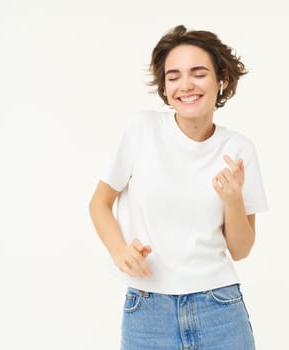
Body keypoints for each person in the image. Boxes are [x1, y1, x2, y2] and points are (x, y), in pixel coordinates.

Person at [89, 24, 268, 350]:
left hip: (220, 307)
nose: (185, 85)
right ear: (164, 86)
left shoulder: (239, 149)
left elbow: (241, 250)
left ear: (221, 80)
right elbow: (99, 203)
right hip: (147, 309)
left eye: (198, 73)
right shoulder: (140, 130)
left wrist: (233, 200)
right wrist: (120, 251)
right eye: (173, 76)